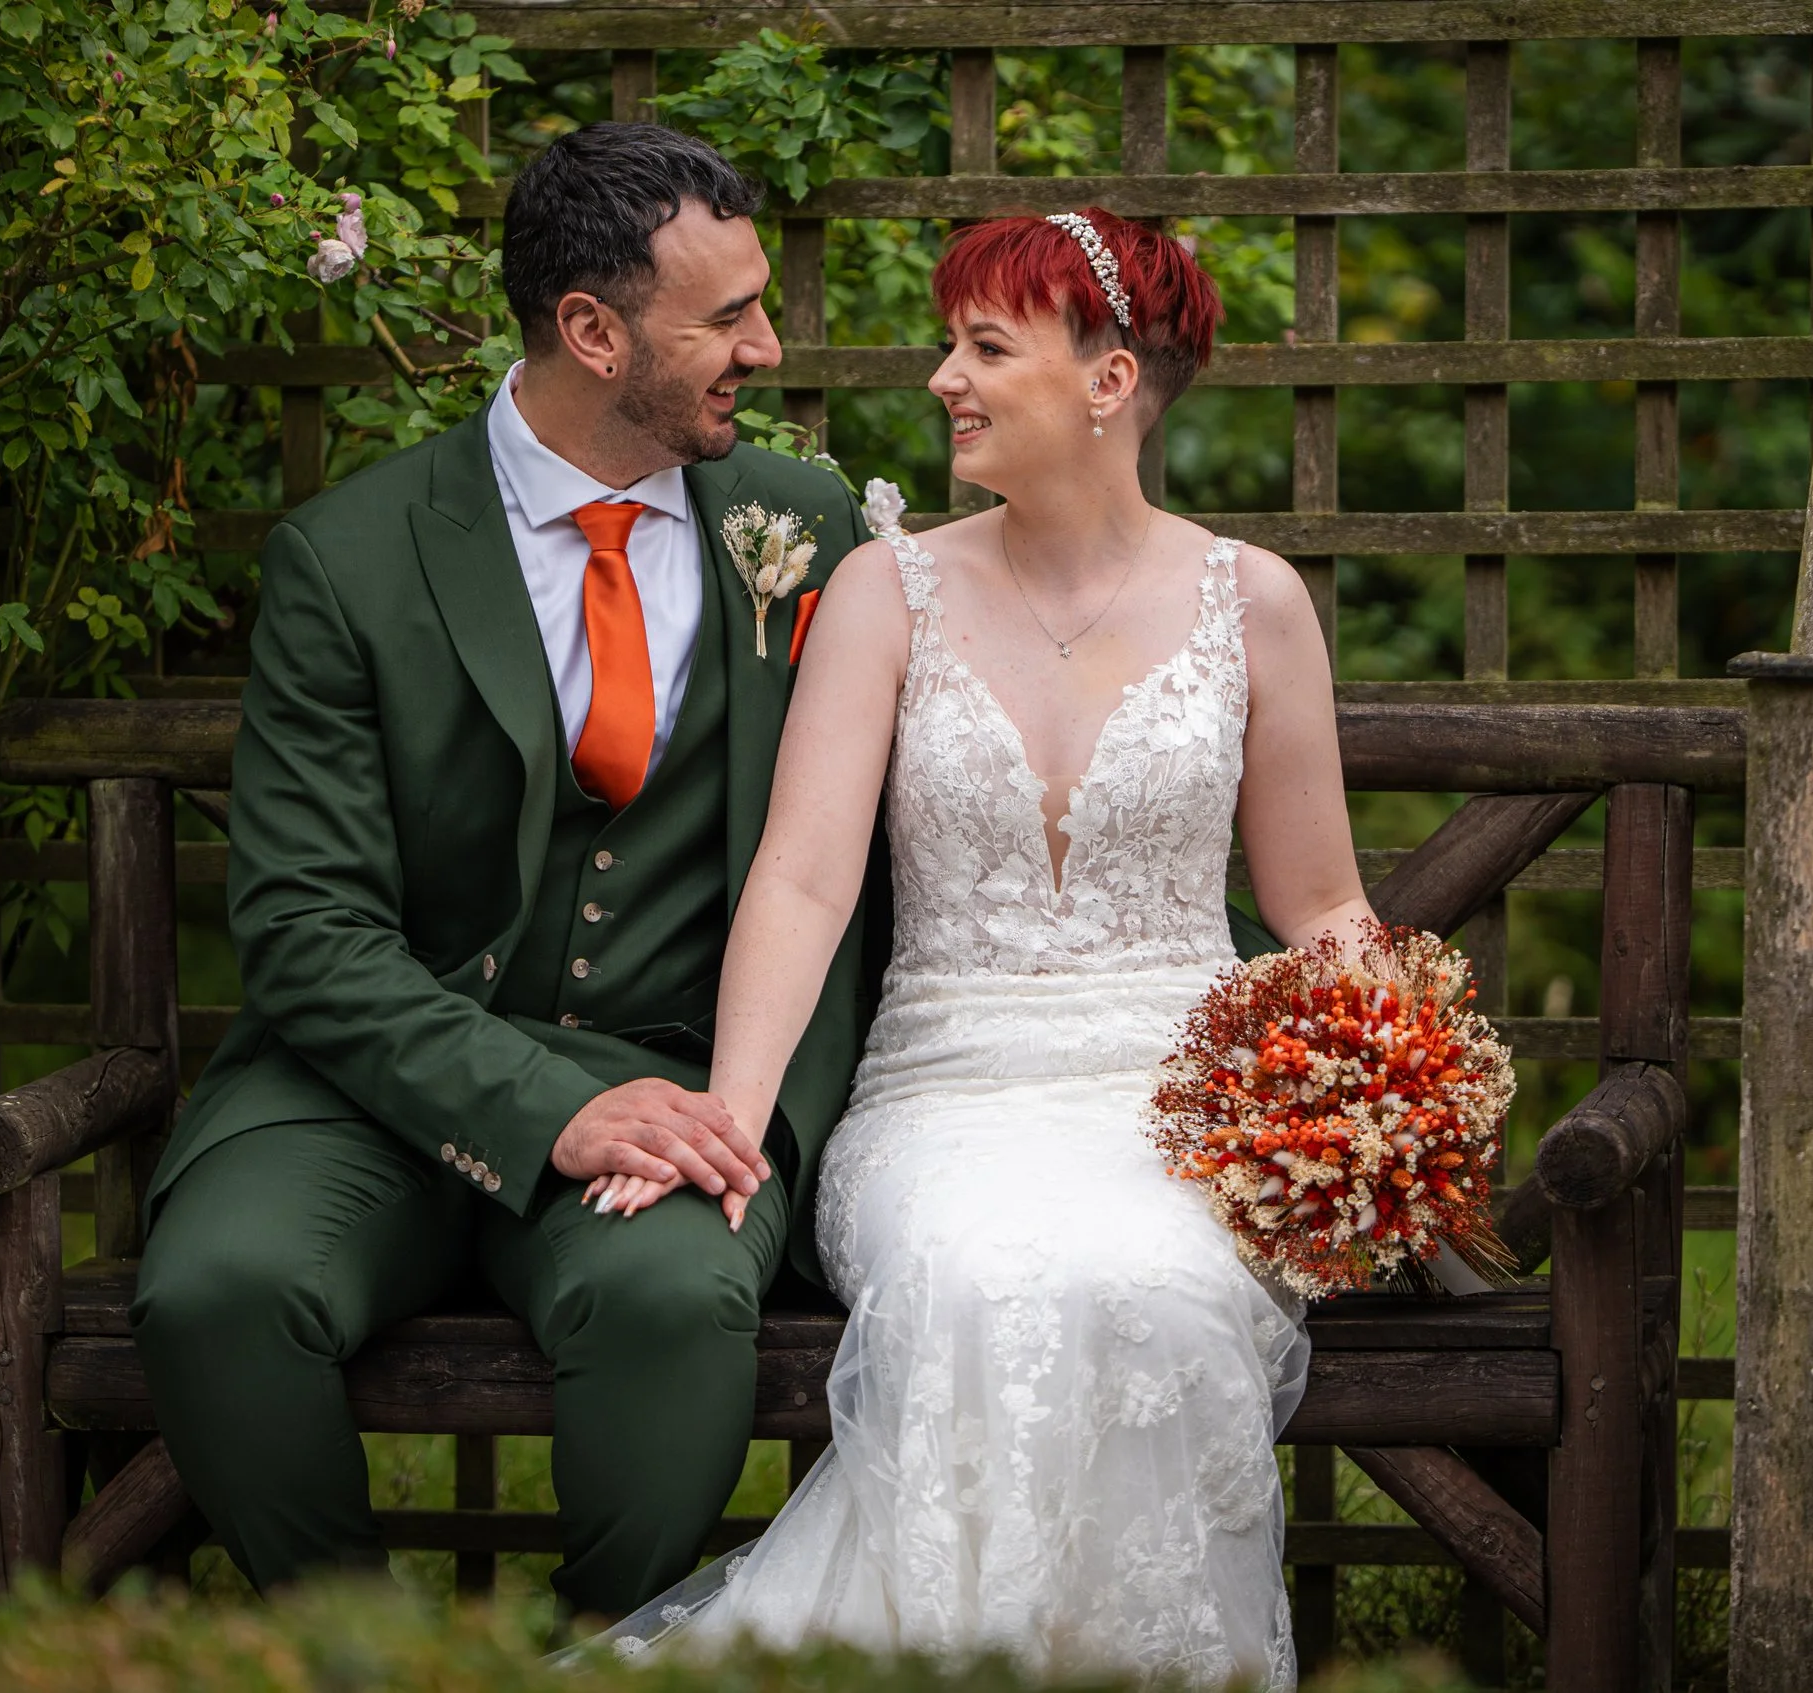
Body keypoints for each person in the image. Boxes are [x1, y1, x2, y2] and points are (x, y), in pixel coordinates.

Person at [584, 209, 1375, 1686]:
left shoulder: (1251, 604)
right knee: (978, 1273)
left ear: (1109, 381)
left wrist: (1393, 1087)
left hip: (1180, 1106)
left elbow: (1320, 903)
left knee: (1153, 1280)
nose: (945, 376)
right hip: (944, 1097)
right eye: (953, 343)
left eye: (987, 347)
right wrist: (731, 1121)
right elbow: (805, 882)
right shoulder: (891, 590)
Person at [128, 123, 879, 1620]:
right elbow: (303, 928)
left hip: (677, 1076)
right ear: (592, 334)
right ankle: (364, 1661)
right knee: (216, 1290)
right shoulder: (350, 557)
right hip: (365, 1084)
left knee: (673, 1301)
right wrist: (550, 1108)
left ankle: (612, 1655)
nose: (767, 345)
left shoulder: (802, 528)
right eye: (724, 319)